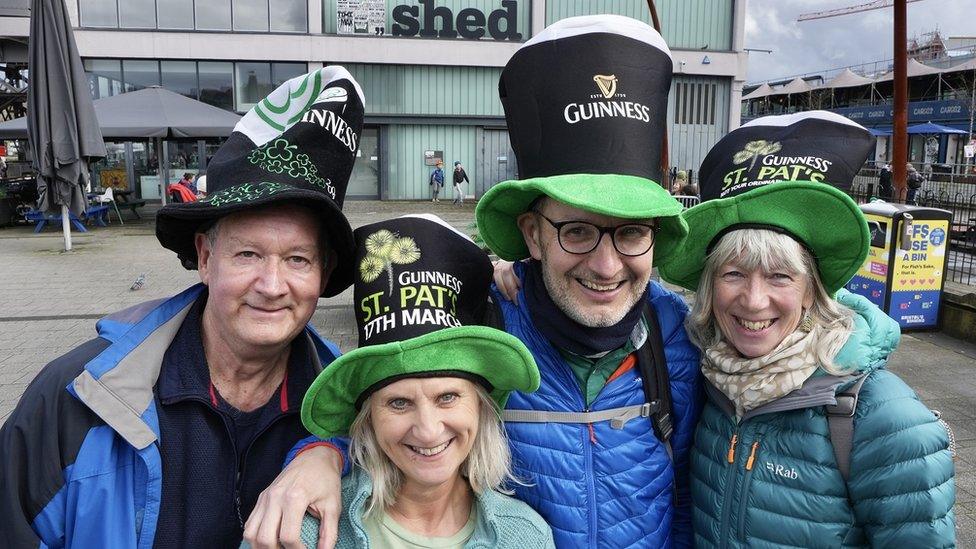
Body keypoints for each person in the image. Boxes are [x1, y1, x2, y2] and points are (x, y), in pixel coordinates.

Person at [242, 16, 703, 549]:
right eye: (576, 232)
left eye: (631, 233)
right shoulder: (484, 317)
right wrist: (317, 455)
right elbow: (387, 397)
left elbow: (689, 491)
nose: (606, 266)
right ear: (531, 234)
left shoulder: (677, 335)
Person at [0, 66, 368, 548]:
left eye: (298, 259)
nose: (272, 285)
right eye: (248, 254)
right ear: (205, 257)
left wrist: (329, 448)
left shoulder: (356, 406)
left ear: (322, 273)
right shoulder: (73, 401)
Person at [658, 111, 956, 547]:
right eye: (734, 274)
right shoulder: (708, 379)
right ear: (708, 286)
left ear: (811, 291)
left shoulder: (884, 419)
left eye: (780, 277)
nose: (754, 301)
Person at [245, 214, 554, 548]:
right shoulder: (297, 531)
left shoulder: (526, 536)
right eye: (398, 402)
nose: (428, 430)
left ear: (480, 406)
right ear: (367, 419)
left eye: (447, 397)